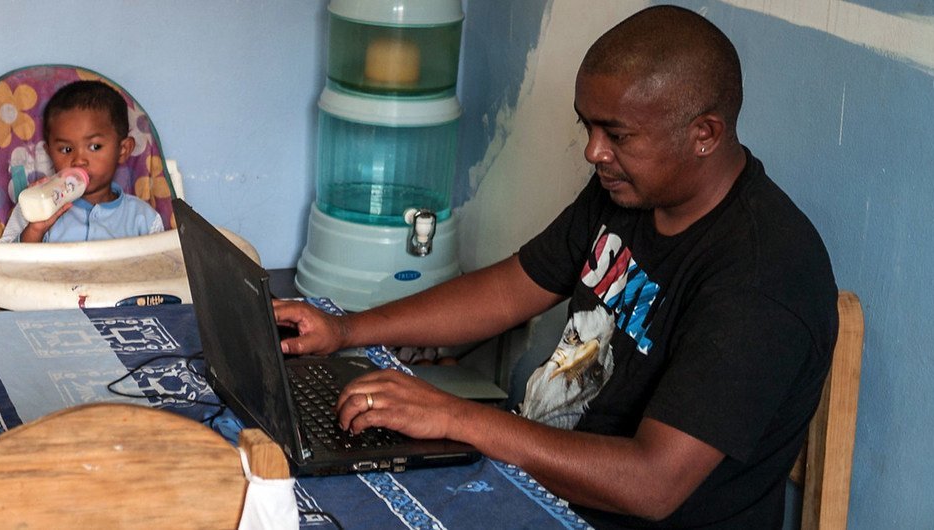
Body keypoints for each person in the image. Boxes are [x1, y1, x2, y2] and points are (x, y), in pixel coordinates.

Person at [274, 5, 838, 528]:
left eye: (616, 135)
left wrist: (454, 416)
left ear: (704, 135)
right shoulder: (628, 193)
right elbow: (509, 289)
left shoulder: (764, 279)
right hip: (535, 484)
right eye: (587, 128)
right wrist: (346, 328)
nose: (594, 153)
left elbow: (651, 483)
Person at [0, 80, 164, 243]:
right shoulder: (36, 209)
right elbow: (4, 265)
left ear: (123, 150)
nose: (79, 160)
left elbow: (166, 267)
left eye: (95, 146)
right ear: (50, 153)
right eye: (66, 150)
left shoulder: (144, 219)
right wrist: (35, 230)